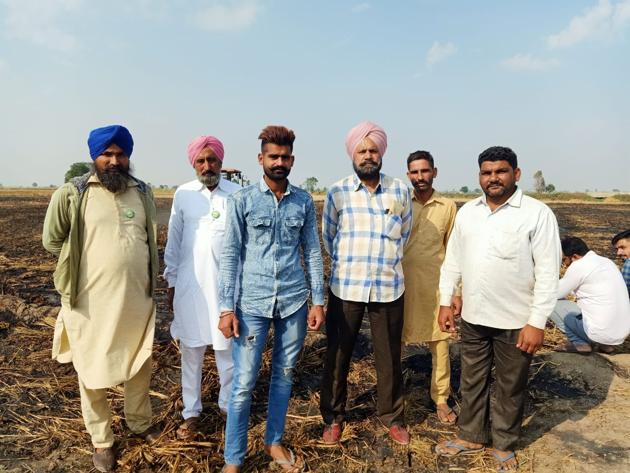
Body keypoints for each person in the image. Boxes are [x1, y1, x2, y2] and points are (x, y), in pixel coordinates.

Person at [434, 146, 560, 472]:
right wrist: (446, 300)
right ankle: (471, 435)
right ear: (480, 176)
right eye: (487, 172)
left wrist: (536, 322)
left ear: (515, 174)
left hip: (516, 320)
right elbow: (453, 261)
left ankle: (504, 444)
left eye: (500, 171)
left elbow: (548, 273)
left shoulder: (536, 214)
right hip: (475, 317)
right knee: (472, 381)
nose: (493, 178)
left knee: (509, 386)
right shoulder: (468, 212)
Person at [42, 125, 160, 472]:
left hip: (137, 300)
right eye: (106, 154)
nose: (113, 160)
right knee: (91, 370)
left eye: (120, 154)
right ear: (94, 156)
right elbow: (52, 241)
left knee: (140, 363)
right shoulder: (73, 193)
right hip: (89, 303)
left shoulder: (143, 193)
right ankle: (102, 440)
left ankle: (140, 424)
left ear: (128, 157)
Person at [217, 126, 325, 473]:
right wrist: (226, 308)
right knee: (244, 382)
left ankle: (273, 442)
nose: (279, 162)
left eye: (284, 157)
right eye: (272, 156)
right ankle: (233, 459)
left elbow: (311, 251)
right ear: (260, 158)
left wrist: (318, 301)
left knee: (284, 374)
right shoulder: (243, 200)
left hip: (293, 301)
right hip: (252, 304)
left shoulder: (304, 201)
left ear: (292, 160)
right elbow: (231, 255)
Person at [320, 121, 413, 445]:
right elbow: (329, 237)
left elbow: (405, 234)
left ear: (382, 153)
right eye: (362, 150)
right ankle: (333, 417)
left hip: (388, 287)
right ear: (352, 154)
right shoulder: (338, 192)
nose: (368, 155)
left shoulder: (399, 190)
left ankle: (392, 417)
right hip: (346, 287)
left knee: (388, 356)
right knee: (338, 355)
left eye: (373, 150)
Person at [164, 135, 240, 439]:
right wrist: (170, 282)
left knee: (227, 355)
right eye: (201, 160)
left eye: (212, 160)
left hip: (225, 291)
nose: (207, 165)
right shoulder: (183, 194)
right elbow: (174, 241)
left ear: (221, 162)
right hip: (189, 287)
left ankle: (227, 409)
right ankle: (191, 412)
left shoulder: (237, 194)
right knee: (191, 353)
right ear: (193, 163)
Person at [402, 150, 459, 424]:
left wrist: (456, 292)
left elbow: (453, 251)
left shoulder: (448, 207)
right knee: (394, 342)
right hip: (400, 286)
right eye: (414, 172)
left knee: (441, 344)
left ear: (434, 172)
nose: (420, 177)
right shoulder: (400, 202)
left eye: (425, 171)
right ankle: (393, 398)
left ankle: (441, 399)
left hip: (437, 287)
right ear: (408, 175)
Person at [550, 236, 630, 354]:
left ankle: (579, 343)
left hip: (600, 332)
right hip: (621, 333)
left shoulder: (579, 266)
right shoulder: (606, 262)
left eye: (564, 260)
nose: (564, 264)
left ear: (574, 257)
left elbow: (553, 293)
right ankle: (605, 345)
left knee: (549, 302)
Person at [612, 229, 630, 295]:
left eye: (622, 247)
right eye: (617, 249)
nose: (618, 253)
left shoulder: (628, 264)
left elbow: (623, 294)